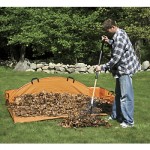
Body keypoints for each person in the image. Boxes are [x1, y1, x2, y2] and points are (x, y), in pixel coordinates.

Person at [96, 19, 141, 128]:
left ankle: (129, 121)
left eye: (108, 30)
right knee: (118, 94)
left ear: (112, 27)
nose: (107, 32)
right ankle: (116, 115)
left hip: (124, 69)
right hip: (120, 69)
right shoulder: (120, 33)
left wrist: (102, 67)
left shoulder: (120, 37)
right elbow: (116, 44)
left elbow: (116, 58)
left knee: (126, 96)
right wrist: (109, 42)